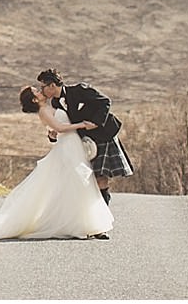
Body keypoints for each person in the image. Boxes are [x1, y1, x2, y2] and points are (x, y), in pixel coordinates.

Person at [0, 85, 114, 241]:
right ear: (34, 99)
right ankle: (77, 224)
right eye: (36, 91)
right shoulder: (43, 111)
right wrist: (83, 125)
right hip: (67, 147)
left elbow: (56, 128)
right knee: (77, 183)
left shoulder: (54, 104)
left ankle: (84, 223)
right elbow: (60, 127)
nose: (40, 90)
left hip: (74, 145)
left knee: (78, 184)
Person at [37, 68, 133, 215]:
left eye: (42, 87)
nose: (41, 90)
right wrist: (53, 135)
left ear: (52, 86)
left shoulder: (80, 90)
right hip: (84, 143)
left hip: (103, 135)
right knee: (87, 180)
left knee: (101, 178)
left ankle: (102, 220)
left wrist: (95, 122)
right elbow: (64, 125)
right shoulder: (56, 103)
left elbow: (105, 101)